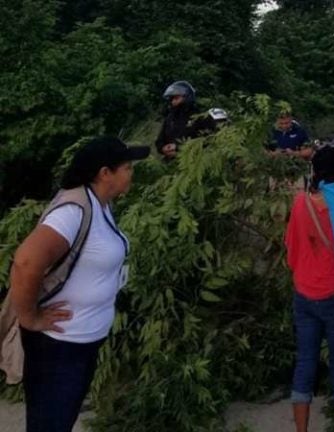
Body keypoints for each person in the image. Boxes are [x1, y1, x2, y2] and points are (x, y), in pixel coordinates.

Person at [9, 137, 149, 432]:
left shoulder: (101, 204)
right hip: (59, 348)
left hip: (83, 341)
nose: (131, 172)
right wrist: (29, 317)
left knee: (61, 419)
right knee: (51, 424)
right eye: (126, 167)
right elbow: (25, 262)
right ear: (104, 173)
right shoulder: (73, 212)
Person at [285, 145, 334, 432]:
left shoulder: (300, 203)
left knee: (305, 363)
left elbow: (291, 249)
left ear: (313, 171)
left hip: (303, 293)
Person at [155, 81, 217, 160]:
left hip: (196, 161)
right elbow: (160, 140)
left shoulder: (201, 116)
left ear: (187, 97)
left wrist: (178, 147)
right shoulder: (170, 118)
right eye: (171, 99)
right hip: (171, 162)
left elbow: (210, 140)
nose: (173, 102)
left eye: (176, 98)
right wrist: (163, 148)